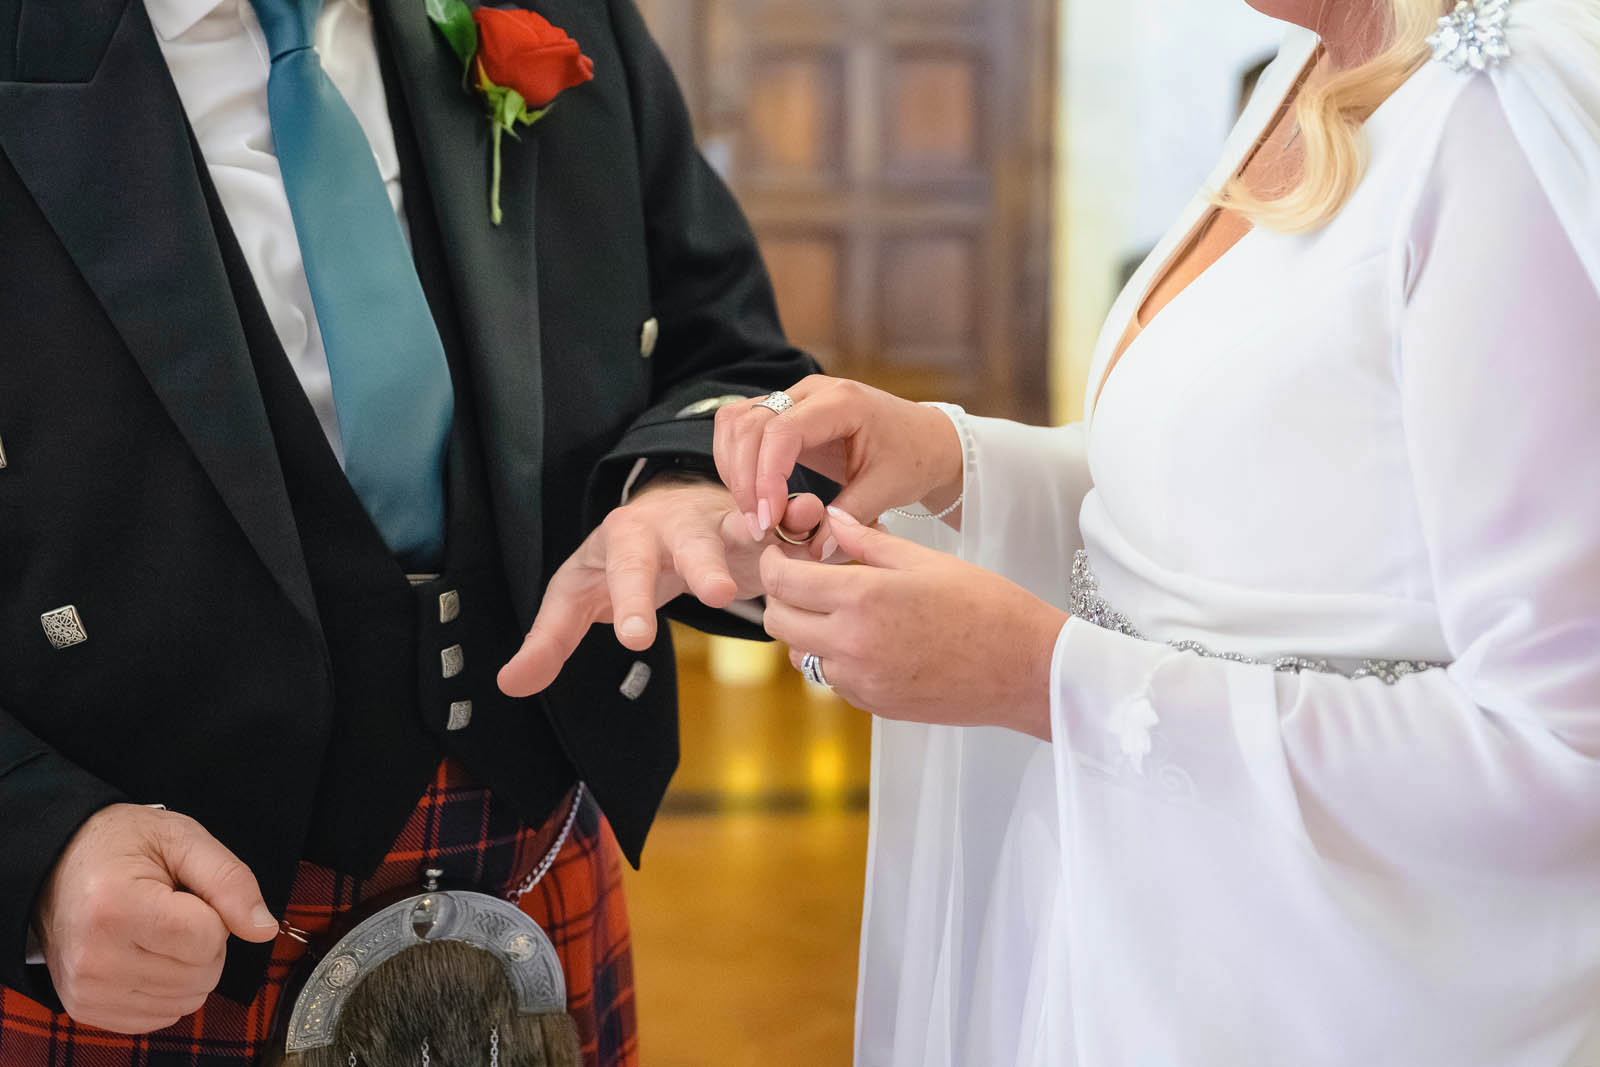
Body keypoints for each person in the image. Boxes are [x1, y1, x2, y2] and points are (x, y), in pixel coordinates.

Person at [699, 0, 1600, 1061]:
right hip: (1149, 920)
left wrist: (1041, 675)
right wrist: (950, 459)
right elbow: (1236, 503)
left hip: (1320, 988)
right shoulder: (1305, 66)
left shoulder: (1492, 123)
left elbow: (1563, 744)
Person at [0, 0, 825, 1061]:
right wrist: (34, 847)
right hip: (138, 932)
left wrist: (680, 477)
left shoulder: (560, 16)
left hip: (532, 843)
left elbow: (736, 354)